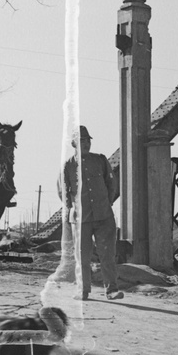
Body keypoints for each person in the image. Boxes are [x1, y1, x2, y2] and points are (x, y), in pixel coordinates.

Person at [57, 125, 124, 301]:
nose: (86, 144)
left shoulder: (100, 160)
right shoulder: (68, 166)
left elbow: (112, 184)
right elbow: (63, 191)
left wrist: (107, 203)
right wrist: (72, 208)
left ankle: (112, 291)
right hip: (80, 220)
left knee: (107, 255)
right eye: (81, 141)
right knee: (82, 257)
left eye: (87, 140)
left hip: (104, 217)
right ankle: (83, 290)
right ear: (74, 144)